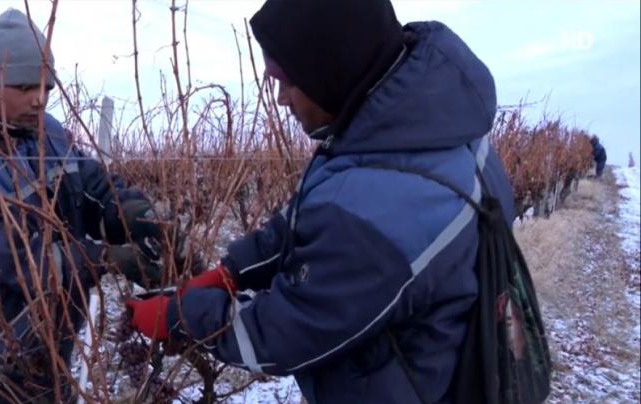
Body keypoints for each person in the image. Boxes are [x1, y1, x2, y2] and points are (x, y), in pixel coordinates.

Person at [125, 1, 518, 403]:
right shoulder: (428, 124)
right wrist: (233, 271)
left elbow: (286, 332)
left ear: (330, 68)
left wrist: (179, 319)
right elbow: (314, 216)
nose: (279, 99)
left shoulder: (385, 205)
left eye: (286, 81)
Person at [0, 8, 162, 403]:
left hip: (53, 334)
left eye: (47, 87)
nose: (39, 100)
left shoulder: (45, 132)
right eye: (26, 87)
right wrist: (107, 259)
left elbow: (90, 185)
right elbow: (20, 262)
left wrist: (127, 210)